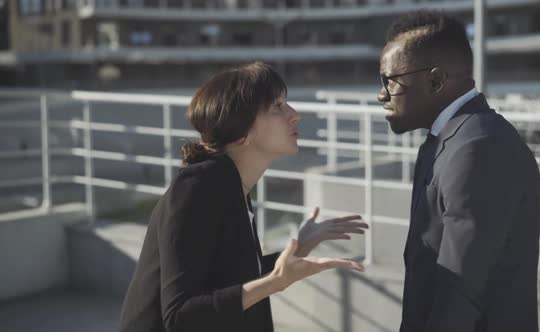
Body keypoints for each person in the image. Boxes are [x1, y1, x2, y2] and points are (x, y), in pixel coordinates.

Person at [118, 62, 368, 332]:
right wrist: (275, 282)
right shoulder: (196, 189)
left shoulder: (231, 184)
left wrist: (299, 248)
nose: (294, 115)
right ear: (241, 133)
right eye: (278, 106)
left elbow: (233, 278)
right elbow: (181, 317)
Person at [377, 11, 540, 332]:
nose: (381, 94)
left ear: (435, 80)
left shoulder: (479, 146)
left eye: (389, 81)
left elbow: (461, 292)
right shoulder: (449, 139)